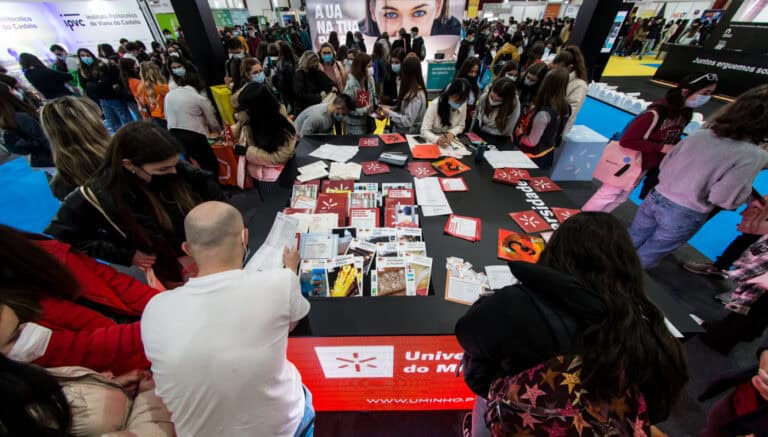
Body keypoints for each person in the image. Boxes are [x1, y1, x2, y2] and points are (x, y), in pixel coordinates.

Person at [455, 212, 688, 437]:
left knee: (489, 415)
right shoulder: (646, 327)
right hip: (598, 428)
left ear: (555, 251)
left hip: (516, 414)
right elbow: (656, 409)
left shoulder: (515, 305)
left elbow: (467, 335)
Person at [141, 201, 312, 436]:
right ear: (244, 237)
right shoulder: (279, 283)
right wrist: (290, 269)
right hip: (284, 427)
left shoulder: (154, 309)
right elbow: (293, 320)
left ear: (187, 249)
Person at [45, 122, 225, 286]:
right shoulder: (100, 193)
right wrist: (126, 254)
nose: (173, 172)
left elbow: (215, 198)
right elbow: (63, 234)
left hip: (209, 251)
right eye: (163, 168)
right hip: (173, 269)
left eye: (175, 164)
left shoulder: (179, 171)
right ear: (129, 165)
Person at [628, 84, 768, 269]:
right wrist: (744, 197)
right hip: (687, 210)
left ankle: (607, 268)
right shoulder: (754, 155)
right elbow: (722, 197)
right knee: (651, 252)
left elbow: (666, 165)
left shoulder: (702, 134)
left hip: (657, 196)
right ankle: (621, 280)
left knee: (632, 238)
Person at [0, 224, 161, 373]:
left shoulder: (34, 250)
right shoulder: (14, 319)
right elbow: (87, 349)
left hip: (145, 330)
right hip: (129, 363)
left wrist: (162, 303)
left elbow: (111, 279)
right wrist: (163, 324)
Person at [582, 73, 718, 213]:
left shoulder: (685, 113)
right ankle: (584, 220)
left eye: (710, 93)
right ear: (686, 91)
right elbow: (627, 140)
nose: (707, 97)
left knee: (621, 197)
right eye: (705, 93)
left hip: (647, 164)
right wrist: (661, 147)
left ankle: (598, 219)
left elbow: (672, 135)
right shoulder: (656, 112)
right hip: (631, 162)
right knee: (608, 193)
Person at [40, 97, 109, 200]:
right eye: (100, 119)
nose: (103, 123)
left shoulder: (59, 186)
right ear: (93, 125)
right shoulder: (119, 153)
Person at [232, 83, 297, 181]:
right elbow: (239, 125)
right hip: (255, 172)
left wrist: (247, 152)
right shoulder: (249, 117)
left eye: (245, 108)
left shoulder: (283, 128)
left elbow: (279, 157)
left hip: (276, 176)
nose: (242, 111)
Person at [164, 65, 221, 177]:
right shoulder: (198, 98)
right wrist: (219, 132)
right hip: (194, 135)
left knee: (191, 163)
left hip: (173, 134)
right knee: (209, 164)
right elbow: (212, 122)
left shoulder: (169, 95)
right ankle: (213, 184)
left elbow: (166, 115)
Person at [514, 67, 571, 168]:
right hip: (548, 153)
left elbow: (531, 142)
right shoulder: (566, 107)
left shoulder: (544, 113)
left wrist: (519, 136)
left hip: (532, 157)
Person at [77, 48, 133, 133]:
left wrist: (93, 84)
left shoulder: (102, 65)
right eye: (82, 56)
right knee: (112, 122)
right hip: (101, 98)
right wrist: (94, 84)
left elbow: (106, 81)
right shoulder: (82, 70)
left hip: (113, 95)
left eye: (87, 55)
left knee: (125, 118)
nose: (85, 57)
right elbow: (84, 84)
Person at [0, 83, 53, 168]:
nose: (15, 92)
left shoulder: (7, 119)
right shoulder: (20, 118)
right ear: (7, 96)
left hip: (40, 160)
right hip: (53, 157)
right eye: (11, 90)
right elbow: (46, 140)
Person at [359, 0, 461, 37]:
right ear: (372, 10)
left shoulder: (454, 36)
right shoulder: (360, 38)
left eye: (419, 13)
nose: (406, 31)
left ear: (438, 7)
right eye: (390, 15)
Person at [381, 54, 427, 135]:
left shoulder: (416, 95)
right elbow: (405, 110)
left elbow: (407, 121)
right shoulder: (411, 89)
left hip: (407, 135)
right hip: (402, 133)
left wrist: (389, 113)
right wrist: (390, 108)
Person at [420, 78, 469, 147]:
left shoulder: (463, 104)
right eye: (455, 98)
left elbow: (461, 125)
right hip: (433, 140)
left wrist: (452, 133)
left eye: (461, 101)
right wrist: (436, 139)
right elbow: (424, 130)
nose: (458, 103)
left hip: (451, 141)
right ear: (449, 94)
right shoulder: (435, 105)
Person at [472, 77, 520, 145]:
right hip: (479, 134)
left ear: (506, 100)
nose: (493, 100)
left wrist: (484, 128)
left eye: (497, 100)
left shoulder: (514, 105)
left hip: (499, 139)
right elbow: (475, 119)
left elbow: (506, 131)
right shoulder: (484, 97)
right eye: (491, 97)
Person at [551, 46, 588, 135]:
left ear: (570, 67)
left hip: (556, 128)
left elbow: (571, 111)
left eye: (558, 67)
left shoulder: (580, 85)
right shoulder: (558, 77)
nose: (555, 69)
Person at [343, 52, 378, 135]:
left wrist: (376, 105)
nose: (371, 68)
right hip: (355, 127)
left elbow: (373, 96)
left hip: (368, 123)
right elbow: (347, 108)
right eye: (369, 66)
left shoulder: (369, 80)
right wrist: (364, 110)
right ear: (361, 67)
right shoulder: (351, 85)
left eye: (372, 65)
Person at [293, 51, 335, 115]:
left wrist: (332, 87)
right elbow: (300, 95)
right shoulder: (299, 75)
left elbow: (329, 83)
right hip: (305, 109)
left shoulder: (317, 72)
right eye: (314, 61)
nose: (316, 63)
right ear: (307, 62)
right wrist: (318, 97)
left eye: (317, 61)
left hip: (319, 107)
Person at [138, 61, 170, 128]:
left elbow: (142, 106)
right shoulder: (163, 87)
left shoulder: (140, 88)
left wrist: (146, 116)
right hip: (167, 117)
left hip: (155, 118)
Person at [455, 57, 482, 129]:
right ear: (465, 70)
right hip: (456, 122)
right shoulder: (457, 85)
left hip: (468, 122)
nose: (473, 75)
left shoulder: (476, 87)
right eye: (471, 72)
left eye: (476, 72)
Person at [272, 41, 297, 113]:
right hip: (294, 88)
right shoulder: (293, 58)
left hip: (286, 90)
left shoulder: (281, 63)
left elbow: (281, 80)